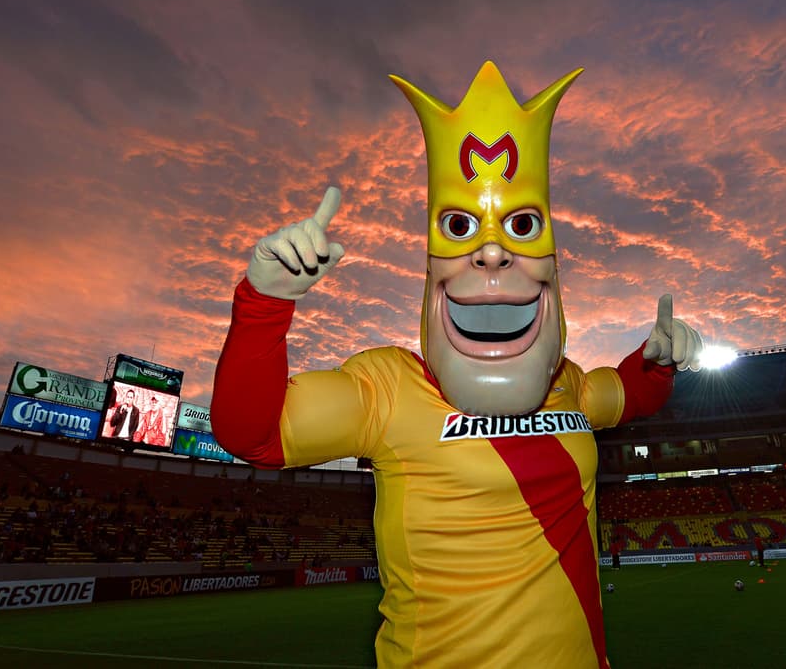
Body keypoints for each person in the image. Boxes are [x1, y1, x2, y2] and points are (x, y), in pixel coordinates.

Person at [212, 63, 704, 668]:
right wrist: (265, 303)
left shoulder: (567, 386)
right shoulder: (387, 389)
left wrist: (656, 360)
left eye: (522, 227)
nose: (493, 251)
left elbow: (629, 395)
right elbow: (252, 434)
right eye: (460, 228)